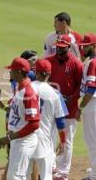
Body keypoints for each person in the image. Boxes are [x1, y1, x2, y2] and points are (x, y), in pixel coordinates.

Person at [46, 34, 83, 180]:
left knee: (66, 140)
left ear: (69, 47)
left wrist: (72, 98)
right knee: (49, 137)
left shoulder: (76, 64)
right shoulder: (49, 61)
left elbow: (82, 85)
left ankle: (63, 171)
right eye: (58, 48)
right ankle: (52, 166)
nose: (60, 51)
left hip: (69, 108)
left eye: (63, 48)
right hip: (51, 107)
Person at [0, 57, 40, 180]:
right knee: (20, 176)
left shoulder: (28, 93)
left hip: (24, 142)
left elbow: (34, 124)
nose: (9, 73)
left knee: (15, 177)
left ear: (19, 72)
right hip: (19, 140)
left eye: (12, 70)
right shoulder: (19, 88)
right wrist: (2, 106)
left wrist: (9, 137)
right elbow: (18, 113)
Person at [29, 59, 68, 180]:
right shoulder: (55, 93)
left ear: (36, 72)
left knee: (23, 175)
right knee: (46, 176)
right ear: (49, 74)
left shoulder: (25, 89)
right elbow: (61, 124)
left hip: (25, 138)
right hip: (45, 140)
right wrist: (62, 142)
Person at [77, 33, 96, 180]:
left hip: (92, 105)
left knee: (92, 140)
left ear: (94, 46)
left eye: (86, 45)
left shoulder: (93, 63)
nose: (83, 48)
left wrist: (80, 107)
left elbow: (90, 90)